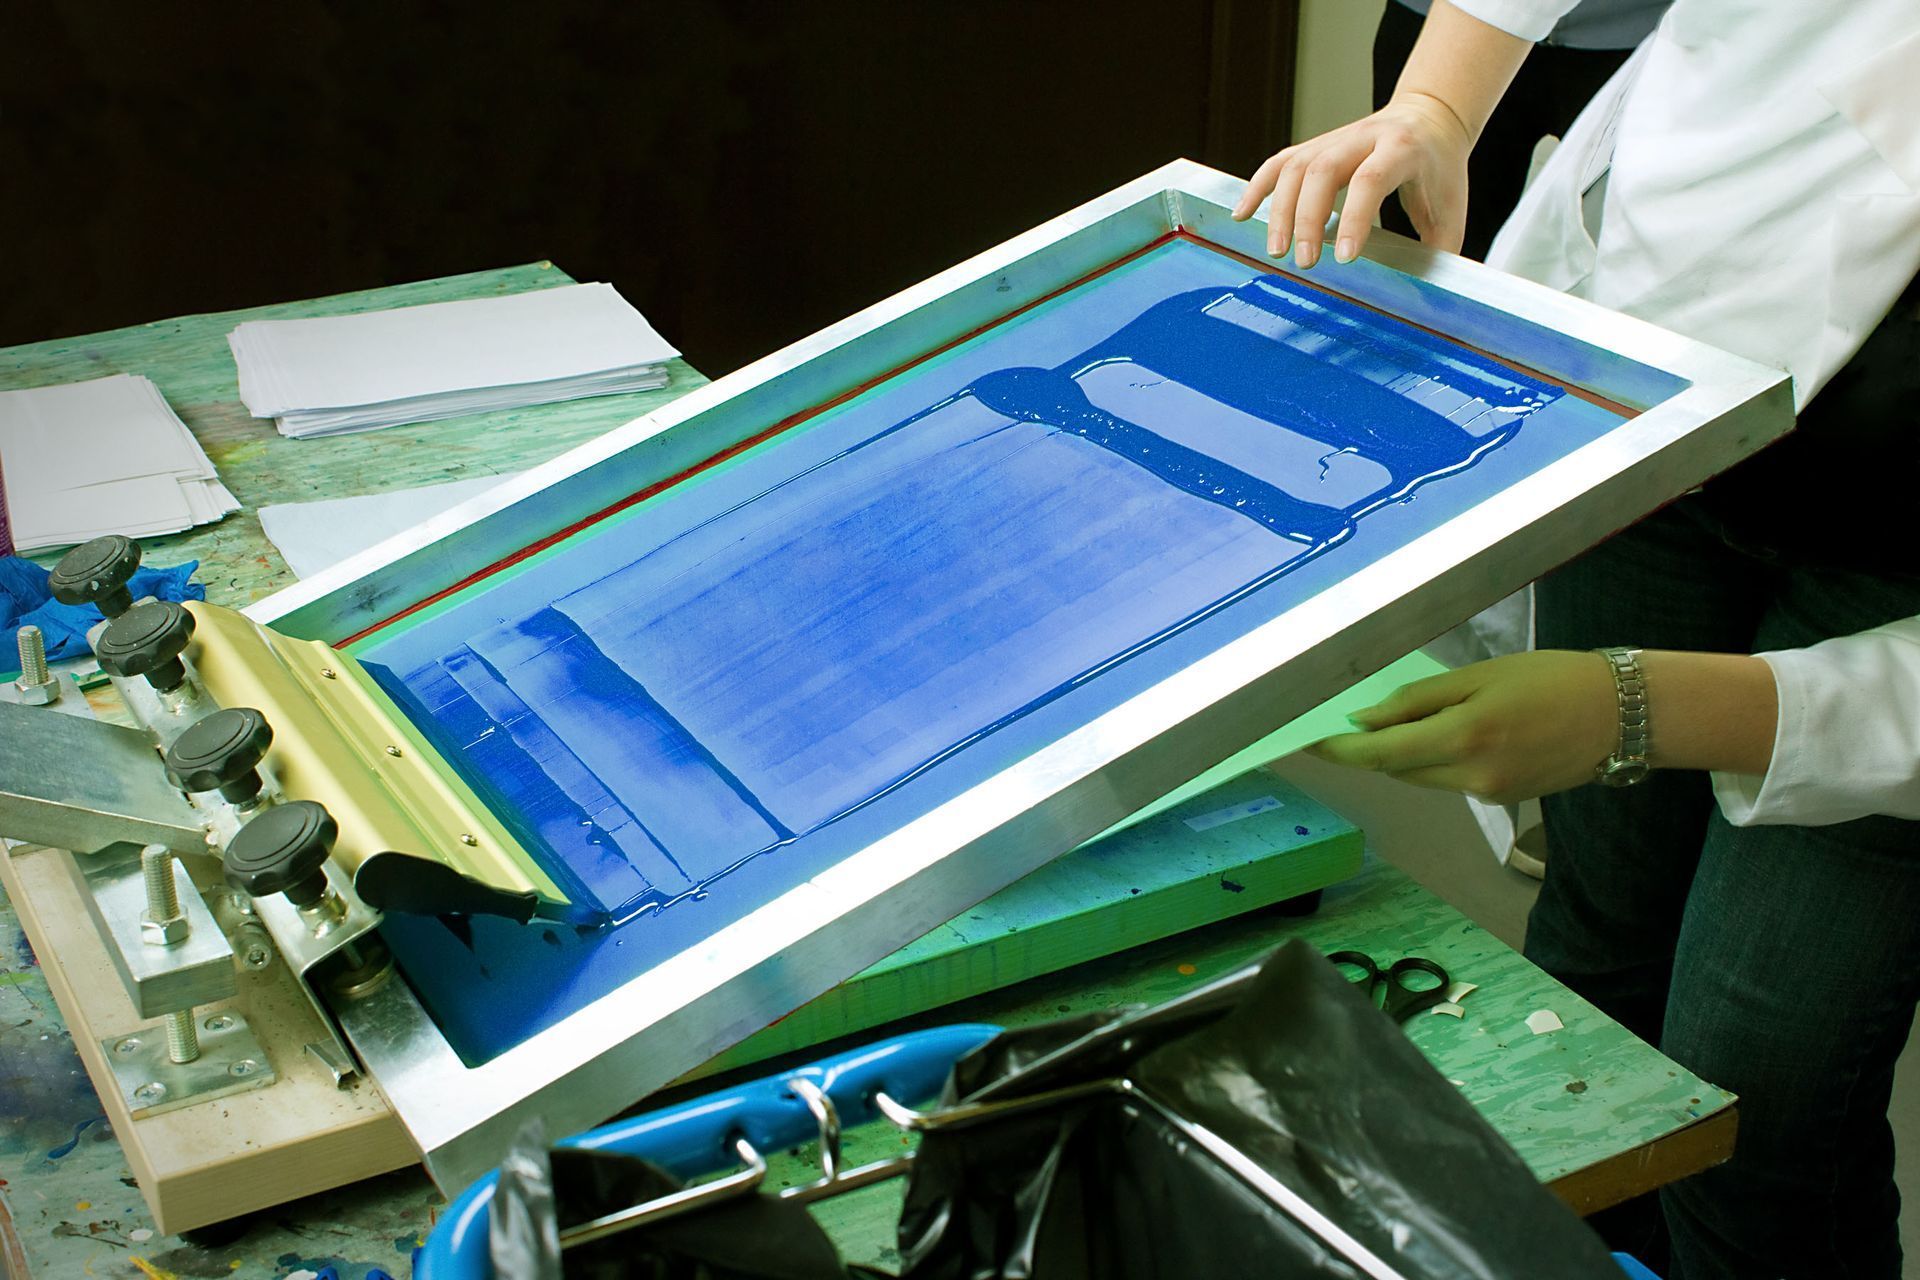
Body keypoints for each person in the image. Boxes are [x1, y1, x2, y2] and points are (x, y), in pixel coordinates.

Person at [1232, 3, 1920, 1277]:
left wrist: (1633, 709)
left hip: (1891, 580)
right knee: (1600, 966)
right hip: (1673, 384)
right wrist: (1435, 108)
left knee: (1755, 1086)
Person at [1373, 0, 1667, 260]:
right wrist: (1429, 105)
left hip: (1639, 34)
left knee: (1628, 252)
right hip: (1441, 25)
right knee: (1418, 251)